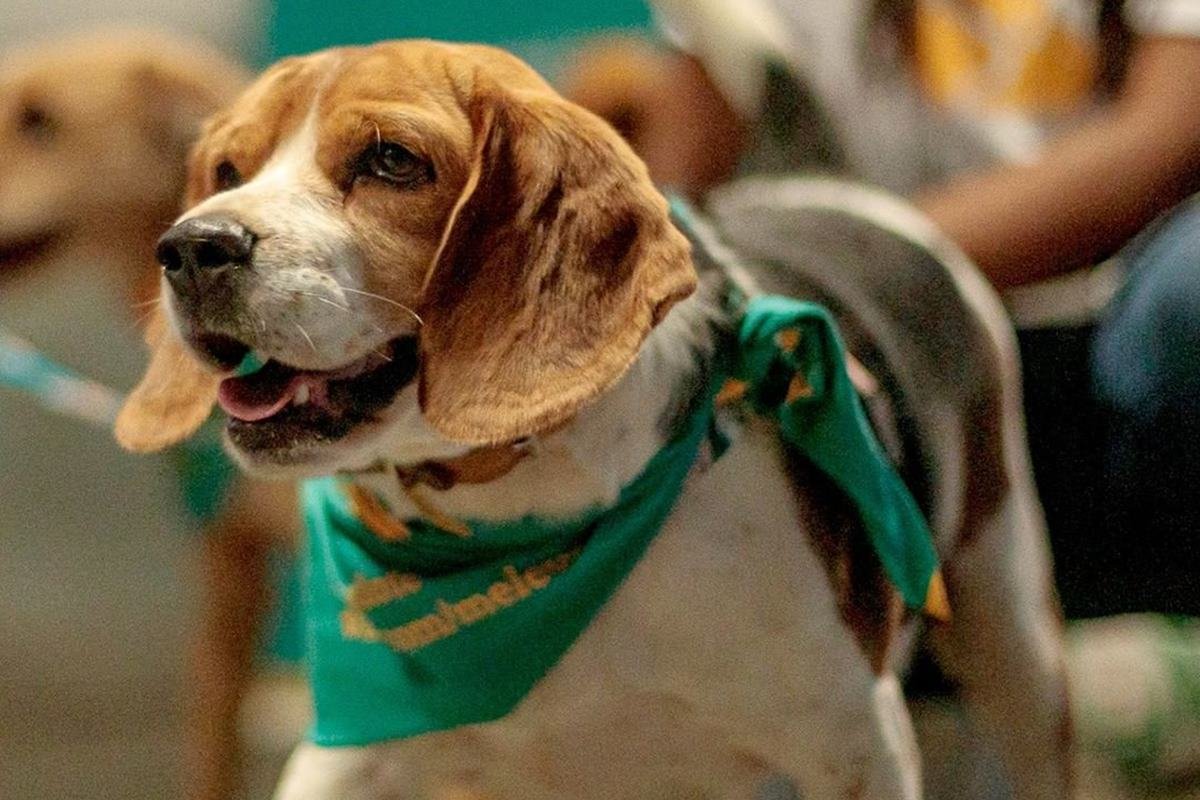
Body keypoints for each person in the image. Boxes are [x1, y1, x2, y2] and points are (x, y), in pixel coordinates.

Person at [563, 0, 1200, 618]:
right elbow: (680, 172)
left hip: (1107, 324)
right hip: (896, 353)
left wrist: (857, 266)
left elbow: (1170, 134)